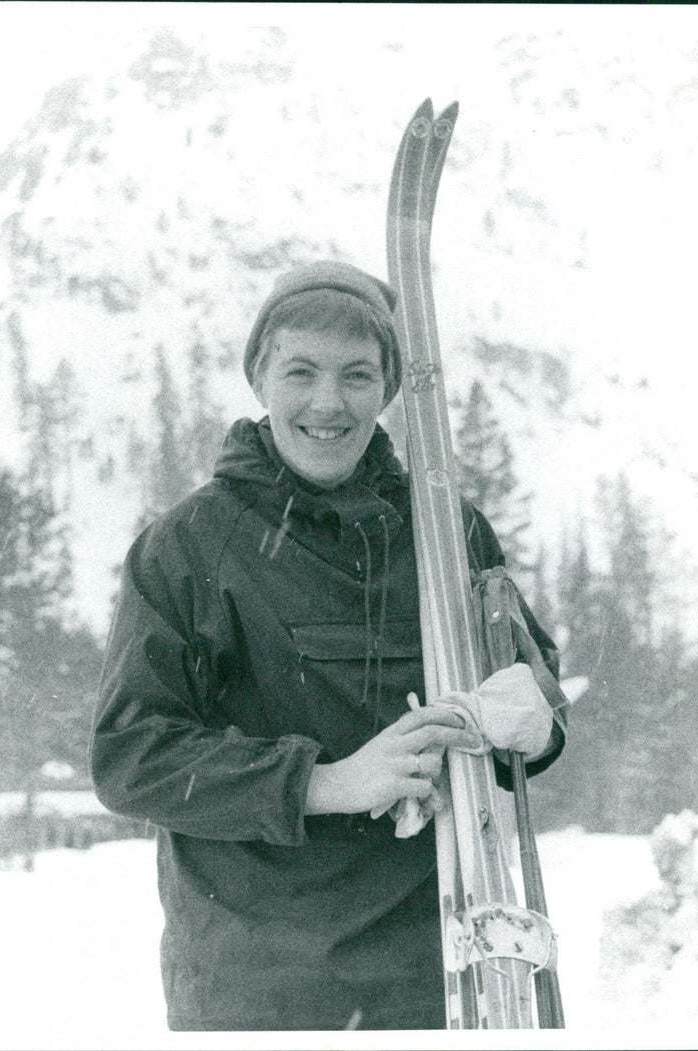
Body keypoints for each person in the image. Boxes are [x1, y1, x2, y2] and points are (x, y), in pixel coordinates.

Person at [89, 260, 565, 1032]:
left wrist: (522, 717)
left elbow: (540, 697)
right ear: (259, 378)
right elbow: (129, 755)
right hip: (261, 986)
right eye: (300, 371)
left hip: (444, 968)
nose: (327, 402)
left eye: (357, 374)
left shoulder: (445, 528)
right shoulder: (191, 545)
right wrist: (331, 780)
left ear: (388, 388)